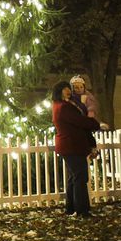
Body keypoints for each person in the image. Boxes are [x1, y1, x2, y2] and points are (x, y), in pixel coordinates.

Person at [52, 80, 100, 217]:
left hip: (69, 145)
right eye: (65, 89)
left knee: (74, 178)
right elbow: (80, 121)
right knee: (80, 177)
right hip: (72, 145)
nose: (69, 90)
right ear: (59, 91)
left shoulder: (59, 105)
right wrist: (95, 124)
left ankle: (71, 207)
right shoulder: (64, 107)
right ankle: (82, 210)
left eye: (69, 88)